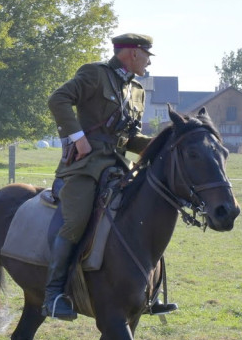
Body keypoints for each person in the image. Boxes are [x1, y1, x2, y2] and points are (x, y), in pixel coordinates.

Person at [44, 32, 176, 321]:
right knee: (76, 220)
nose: (148, 62)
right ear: (132, 53)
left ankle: (148, 292)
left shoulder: (138, 90)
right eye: (146, 55)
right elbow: (58, 99)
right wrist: (78, 137)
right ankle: (54, 294)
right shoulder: (95, 74)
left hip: (118, 165)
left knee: (146, 214)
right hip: (85, 166)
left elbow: (130, 138)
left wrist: (163, 142)